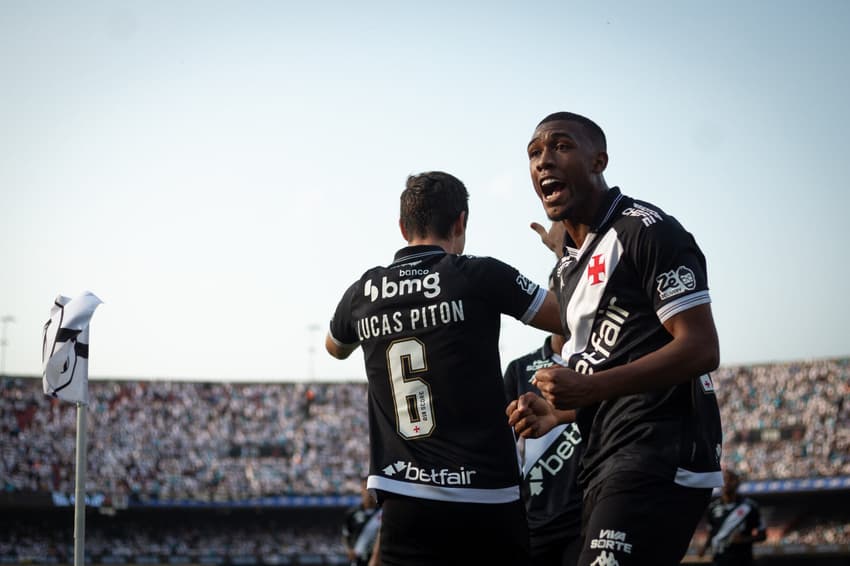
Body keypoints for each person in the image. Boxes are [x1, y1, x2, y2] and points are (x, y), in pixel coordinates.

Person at [508, 112, 724, 566]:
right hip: (604, 457)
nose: (544, 161)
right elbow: (619, 362)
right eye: (534, 153)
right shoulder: (566, 269)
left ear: (599, 161)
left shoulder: (647, 229)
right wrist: (559, 413)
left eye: (561, 146)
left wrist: (590, 387)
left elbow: (701, 348)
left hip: (658, 453)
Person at [326, 170, 563, 566]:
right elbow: (567, 318)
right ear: (460, 222)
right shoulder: (480, 274)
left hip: (405, 500)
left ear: (402, 228)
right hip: (487, 496)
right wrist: (563, 255)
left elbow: (334, 347)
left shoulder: (362, 292)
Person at [503, 268, 583, 566]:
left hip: (586, 518)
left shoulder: (601, 367)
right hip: (532, 519)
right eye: (561, 292)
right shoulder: (519, 369)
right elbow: (503, 446)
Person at [699, 469, 766, 565]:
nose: (726, 482)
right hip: (719, 560)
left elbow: (763, 536)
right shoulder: (712, 508)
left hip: (743, 560)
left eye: (730, 479)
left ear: (737, 483)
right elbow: (712, 532)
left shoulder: (750, 507)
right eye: (724, 479)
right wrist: (705, 547)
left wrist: (744, 539)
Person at [342, 479, 383, 566]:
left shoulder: (383, 513)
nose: (369, 492)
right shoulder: (352, 514)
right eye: (366, 487)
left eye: (372, 488)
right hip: (358, 560)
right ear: (361, 490)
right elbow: (346, 535)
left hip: (378, 561)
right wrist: (348, 550)